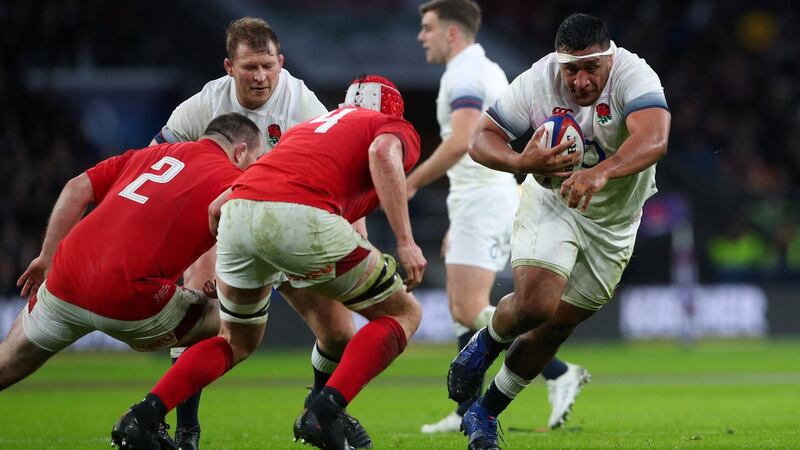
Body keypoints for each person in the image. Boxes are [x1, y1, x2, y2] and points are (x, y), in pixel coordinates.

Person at [111, 75, 426, 450]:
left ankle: (143, 416)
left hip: (238, 214)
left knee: (236, 340)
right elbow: (381, 154)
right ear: (394, 111)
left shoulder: (306, 129)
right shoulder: (390, 127)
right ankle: (325, 412)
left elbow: (216, 207)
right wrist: (405, 242)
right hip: (300, 219)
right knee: (402, 314)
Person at [446, 13, 671, 449]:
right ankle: (485, 345)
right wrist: (519, 163)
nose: (582, 80)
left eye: (592, 69)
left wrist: (601, 173)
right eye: (572, 69)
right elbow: (481, 139)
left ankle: (485, 412)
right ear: (558, 61)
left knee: (555, 328)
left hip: (614, 223)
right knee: (536, 305)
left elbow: (655, 138)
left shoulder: (634, 73)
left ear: (609, 59)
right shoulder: (537, 80)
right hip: (553, 203)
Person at [151, 17, 371, 449]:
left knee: (340, 332)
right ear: (229, 67)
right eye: (250, 66)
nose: (261, 76)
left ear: (281, 62)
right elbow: (157, 167)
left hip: (289, 226)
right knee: (198, 316)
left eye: (268, 65)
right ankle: (186, 431)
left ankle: (320, 411)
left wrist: (356, 237)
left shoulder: (301, 101)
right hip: (225, 227)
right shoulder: (202, 107)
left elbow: (343, 170)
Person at [1, 114, 262, 417]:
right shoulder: (234, 179)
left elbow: (76, 187)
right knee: (240, 329)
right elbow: (240, 235)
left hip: (65, 278)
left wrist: (45, 257)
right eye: (256, 159)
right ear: (240, 151)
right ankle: (151, 416)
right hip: (131, 299)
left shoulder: (146, 155)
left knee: (6, 363)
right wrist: (223, 283)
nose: (255, 168)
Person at [412, 0, 590, 434]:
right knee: (461, 311)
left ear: (453, 33)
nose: (422, 36)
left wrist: (411, 182)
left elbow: (462, 141)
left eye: (428, 27)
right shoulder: (482, 67)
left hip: (483, 199)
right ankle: (463, 410)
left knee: (466, 305)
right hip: (482, 198)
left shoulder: (465, 73)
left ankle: (557, 369)